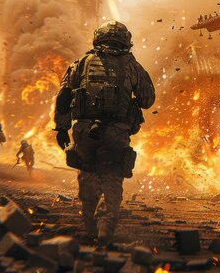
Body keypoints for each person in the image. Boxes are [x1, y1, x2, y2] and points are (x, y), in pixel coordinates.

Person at [53, 20, 155, 248]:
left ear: (97, 39)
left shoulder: (81, 63)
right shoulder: (131, 65)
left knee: (87, 175)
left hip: (84, 131)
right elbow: (148, 100)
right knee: (111, 178)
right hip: (116, 132)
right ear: (125, 41)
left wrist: (61, 127)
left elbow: (63, 97)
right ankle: (105, 228)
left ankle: (90, 226)